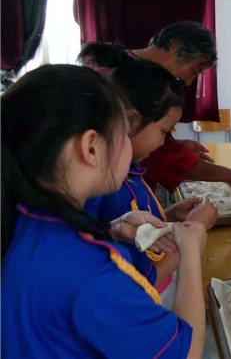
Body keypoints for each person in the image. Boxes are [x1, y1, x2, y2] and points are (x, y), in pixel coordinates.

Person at [1, 65, 211, 357]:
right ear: (90, 148)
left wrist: (111, 231)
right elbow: (187, 353)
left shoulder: (24, 218)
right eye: (124, 133)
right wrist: (190, 251)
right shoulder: (94, 275)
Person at [81, 44, 216, 305]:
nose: (163, 142)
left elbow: (128, 232)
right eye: (164, 131)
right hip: (145, 301)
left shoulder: (130, 171)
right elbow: (137, 285)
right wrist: (190, 236)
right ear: (131, 121)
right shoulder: (108, 188)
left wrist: (168, 217)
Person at [80, 21, 231, 198]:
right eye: (194, 70)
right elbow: (161, 158)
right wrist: (229, 176)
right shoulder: (122, 79)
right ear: (174, 49)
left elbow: (150, 143)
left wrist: (173, 144)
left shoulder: (130, 70)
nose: (189, 81)